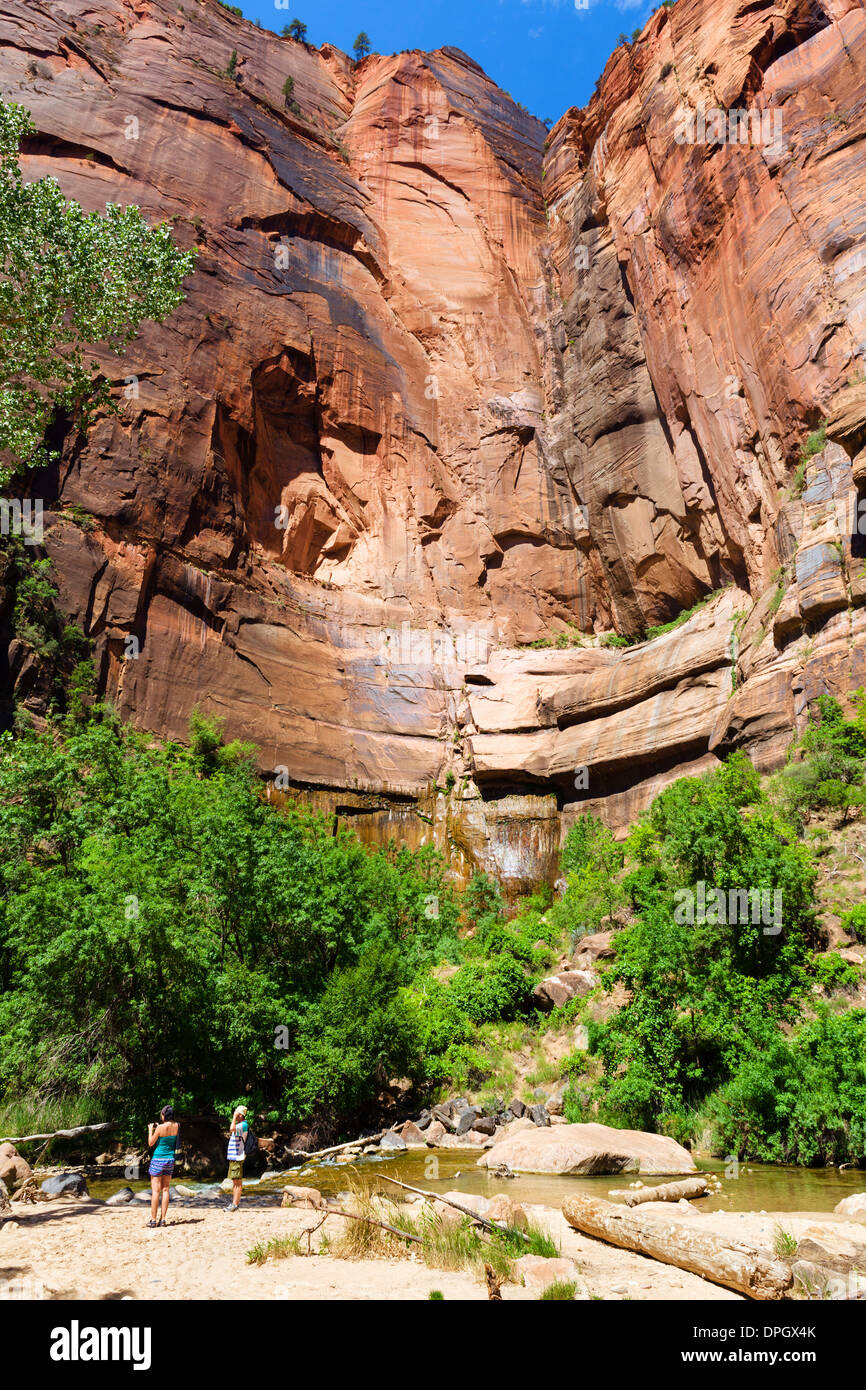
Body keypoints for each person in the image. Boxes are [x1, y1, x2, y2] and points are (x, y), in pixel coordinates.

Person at [146, 1104, 179, 1228]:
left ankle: (153, 1220)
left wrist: (151, 1130)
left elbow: (150, 1143)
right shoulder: (177, 1126)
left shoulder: (159, 1127)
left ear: (164, 1115)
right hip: (170, 1160)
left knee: (155, 1191)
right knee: (166, 1190)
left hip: (158, 1159)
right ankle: (163, 1219)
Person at [225, 1106, 248, 1212]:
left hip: (237, 1156)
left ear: (240, 1115)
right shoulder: (241, 1125)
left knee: (237, 1182)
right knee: (235, 1181)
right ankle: (234, 1204)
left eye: (236, 1114)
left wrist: (234, 1117)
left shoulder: (243, 1125)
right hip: (234, 1156)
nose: (235, 1115)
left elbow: (231, 1129)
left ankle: (235, 1204)